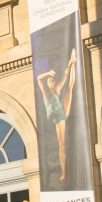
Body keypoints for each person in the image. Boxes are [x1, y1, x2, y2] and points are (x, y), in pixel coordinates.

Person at [36, 48, 78, 182]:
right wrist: (47, 73)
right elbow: (38, 78)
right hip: (55, 117)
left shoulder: (57, 88)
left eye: (51, 81)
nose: (50, 83)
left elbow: (65, 76)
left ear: (53, 82)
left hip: (61, 113)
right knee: (61, 144)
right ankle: (64, 172)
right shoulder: (45, 92)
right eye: (48, 82)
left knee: (70, 86)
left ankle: (73, 63)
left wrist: (70, 65)